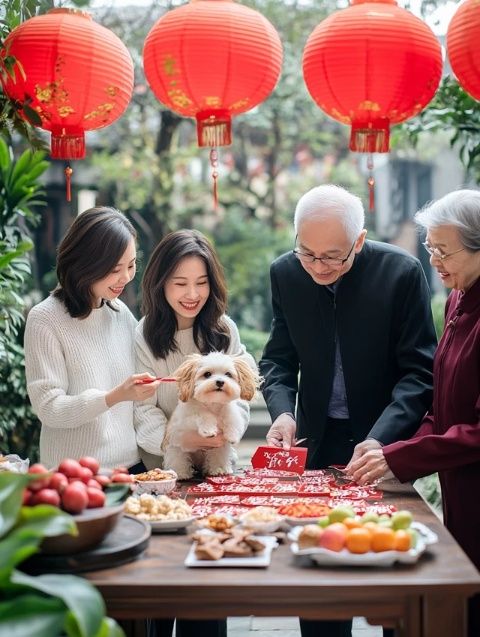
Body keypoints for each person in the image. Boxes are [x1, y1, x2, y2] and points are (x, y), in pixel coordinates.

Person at [259, 184, 437, 637]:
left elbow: (419, 373)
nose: (318, 267)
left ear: (359, 241)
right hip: (316, 444)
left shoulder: (402, 273)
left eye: (332, 256)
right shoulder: (285, 273)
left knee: (394, 581)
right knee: (320, 587)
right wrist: (282, 411)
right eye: (307, 253)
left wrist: (383, 440)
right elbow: (278, 359)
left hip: (384, 447)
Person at [346, 189, 480, 637]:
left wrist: (402, 459)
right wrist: (395, 451)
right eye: (430, 248)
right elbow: (443, 402)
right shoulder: (459, 298)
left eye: (445, 251)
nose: (435, 261)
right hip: (459, 488)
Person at [134, 228, 255, 637]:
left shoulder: (224, 328)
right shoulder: (144, 333)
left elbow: (240, 393)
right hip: (163, 478)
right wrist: (178, 441)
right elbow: (142, 409)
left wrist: (222, 435)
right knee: (160, 597)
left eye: (201, 283)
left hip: (217, 479)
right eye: (180, 282)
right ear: (160, 282)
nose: (192, 293)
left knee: (206, 596)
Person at [24, 206, 160, 472]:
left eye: (131, 265)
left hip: (132, 469)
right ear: (85, 265)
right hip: (73, 475)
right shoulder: (45, 319)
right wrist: (113, 396)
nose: (125, 278)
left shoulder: (120, 314)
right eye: (114, 269)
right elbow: (49, 407)